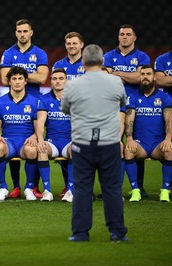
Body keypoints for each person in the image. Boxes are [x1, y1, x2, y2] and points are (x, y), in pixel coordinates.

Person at [61, 44, 128, 242]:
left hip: (82, 143)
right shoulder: (116, 82)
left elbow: (65, 109)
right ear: (103, 61)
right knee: (112, 189)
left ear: (82, 62)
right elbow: (122, 103)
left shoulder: (73, 85)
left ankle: (80, 233)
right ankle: (117, 232)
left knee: (82, 189)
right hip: (109, 143)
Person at [0, 19, 49, 199]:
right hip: (13, 102)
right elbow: (5, 80)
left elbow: (43, 77)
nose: (22, 34)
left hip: (35, 102)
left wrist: (18, 74)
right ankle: (16, 186)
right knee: (12, 138)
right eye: (19, 31)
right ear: (16, 33)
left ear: (31, 33)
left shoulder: (40, 53)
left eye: (25, 31)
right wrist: (27, 75)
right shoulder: (8, 53)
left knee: (33, 143)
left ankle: (33, 185)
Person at [104, 25, 151, 197]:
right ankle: (112, 187)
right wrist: (128, 76)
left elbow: (141, 78)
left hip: (136, 106)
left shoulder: (142, 56)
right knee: (112, 146)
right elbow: (106, 76)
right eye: (121, 34)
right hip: (113, 106)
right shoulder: (108, 56)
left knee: (134, 144)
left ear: (134, 38)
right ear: (118, 37)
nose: (124, 37)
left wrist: (116, 73)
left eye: (128, 34)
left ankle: (138, 187)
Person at [124, 65, 172, 202]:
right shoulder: (132, 97)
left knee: (170, 150)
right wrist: (130, 138)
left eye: (148, 74)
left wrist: (168, 139)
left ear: (154, 77)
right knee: (128, 150)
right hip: (141, 144)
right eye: (142, 74)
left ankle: (165, 191)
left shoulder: (164, 97)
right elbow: (129, 119)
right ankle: (135, 190)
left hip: (158, 143)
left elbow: (169, 120)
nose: (145, 77)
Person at [0, 66, 39, 201]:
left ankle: (29, 188)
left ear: (25, 81)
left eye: (20, 79)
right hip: (9, 141)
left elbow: (38, 127)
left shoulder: (34, 102)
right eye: (14, 79)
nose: (17, 82)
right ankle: (3, 187)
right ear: (9, 81)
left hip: (26, 141)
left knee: (31, 150)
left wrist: (35, 136)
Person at [52, 32, 85, 198]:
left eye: (74, 43)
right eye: (68, 44)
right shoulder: (58, 64)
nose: (71, 46)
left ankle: (79, 186)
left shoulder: (88, 65)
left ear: (81, 45)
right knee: (66, 151)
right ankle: (68, 186)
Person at [36, 68, 73, 202]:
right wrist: (40, 139)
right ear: (51, 82)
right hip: (52, 141)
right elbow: (40, 122)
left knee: (76, 149)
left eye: (61, 78)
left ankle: (70, 190)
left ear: (66, 81)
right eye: (54, 79)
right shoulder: (44, 99)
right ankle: (47, 191)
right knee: (41, 150)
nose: (58, 81)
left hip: (70, 141)